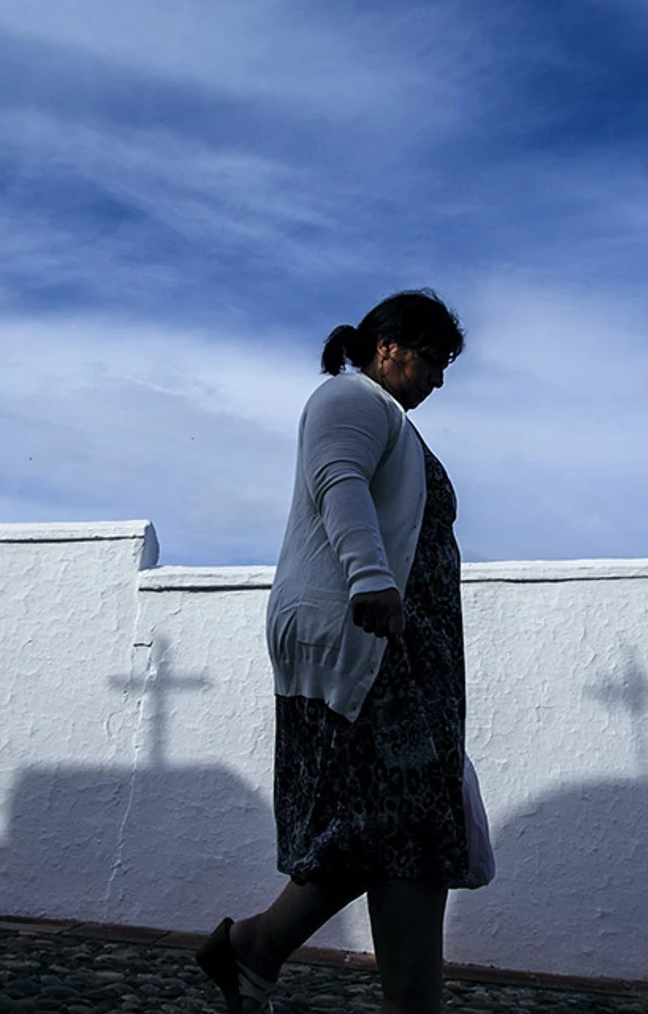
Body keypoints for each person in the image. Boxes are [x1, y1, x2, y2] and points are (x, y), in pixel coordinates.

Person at [199, 290, 473, 1014]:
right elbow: (338, 480)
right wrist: (373, 579)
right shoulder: (351, 399)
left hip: (406, 658)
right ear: (389, 347)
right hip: (371, 644)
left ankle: (253, 949)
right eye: (434, 359)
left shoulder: (394, 423)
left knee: (375, 828)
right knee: (409, 830)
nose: (439, 381)